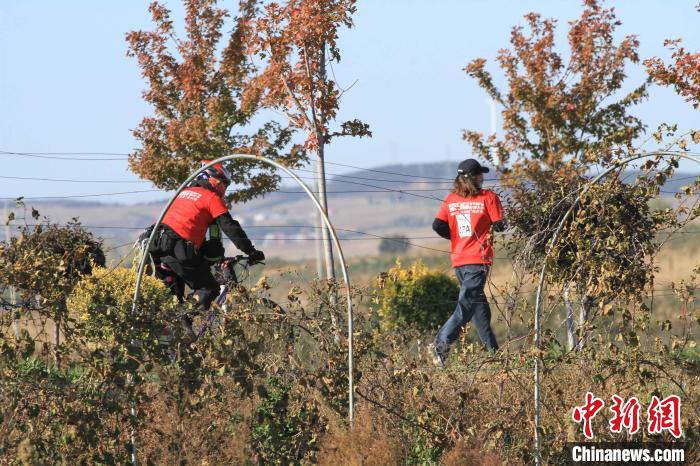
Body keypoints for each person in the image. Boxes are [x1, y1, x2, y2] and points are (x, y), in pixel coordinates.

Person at [147, 161, 265, 322]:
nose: (224, 188)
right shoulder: (211, 198)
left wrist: (215, 255)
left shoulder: (183, 192)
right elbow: (230, 227)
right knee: (208, 288)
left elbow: (207, 233)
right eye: (224, 183)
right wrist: (251, 251)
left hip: (156, 247)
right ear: (214, 180)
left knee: (173, 301)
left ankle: (171, 337)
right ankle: (182, 324)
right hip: (178, 249)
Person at [428, 158, 505, 368]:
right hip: (477, 261)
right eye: (480, 174)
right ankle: (440, 344)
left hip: (459, 260)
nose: (483, 177)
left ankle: (496, 358)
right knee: (466, 306)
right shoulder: (488, 197)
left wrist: (457, 239)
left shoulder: (451, 199)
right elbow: (500, 226)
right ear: (472, 178)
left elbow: (437, 225)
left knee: (480, 311)